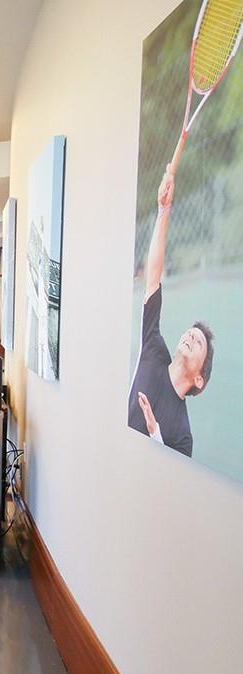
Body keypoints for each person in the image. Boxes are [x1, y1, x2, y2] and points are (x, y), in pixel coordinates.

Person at [127, 164, 214, 457]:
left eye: (197, 341)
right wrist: (164, 210)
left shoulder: (183, 436)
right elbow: (153, 277)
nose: (190, 335)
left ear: (199, 380)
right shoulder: (153, 347)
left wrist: (155, 433)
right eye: (191, 332)